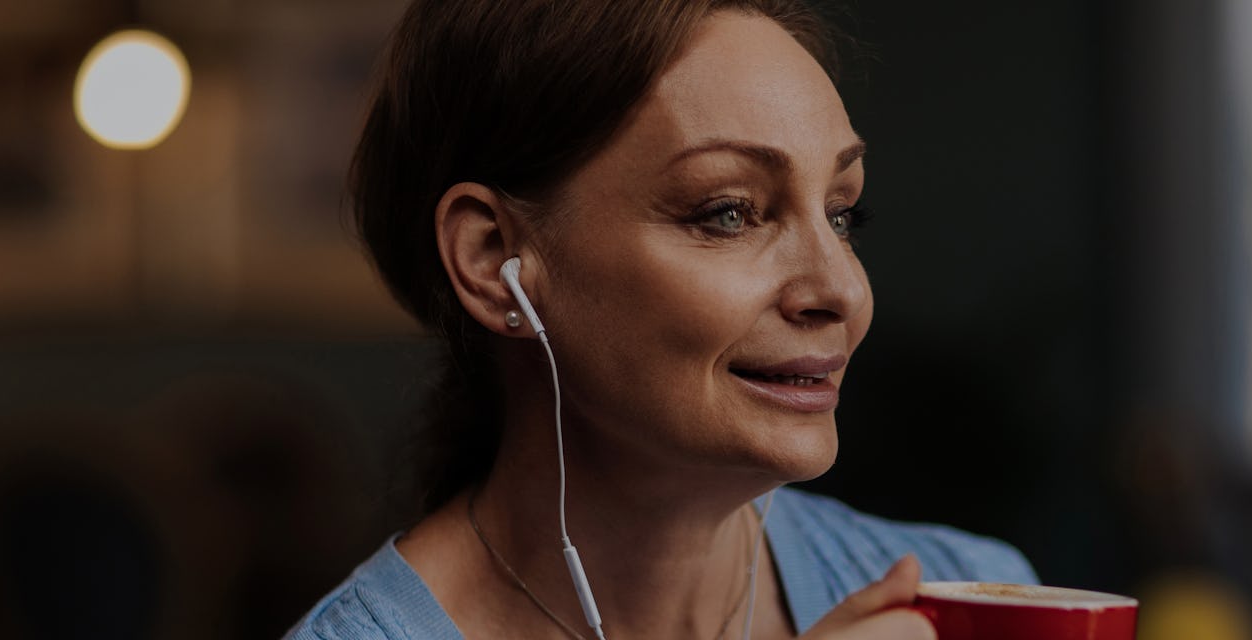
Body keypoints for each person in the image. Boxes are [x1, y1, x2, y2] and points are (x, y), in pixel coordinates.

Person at [285, 0, 1037, 638]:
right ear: (493, 261)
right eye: (730, 211)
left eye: (843, 214)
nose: (842, 291)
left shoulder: (974, 597)